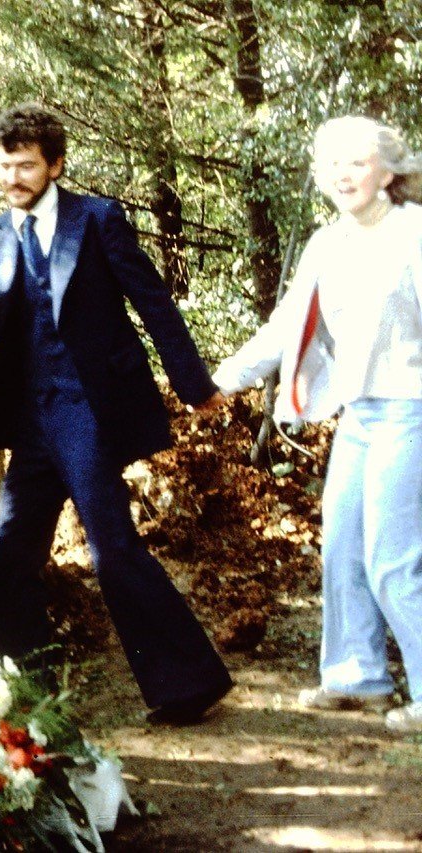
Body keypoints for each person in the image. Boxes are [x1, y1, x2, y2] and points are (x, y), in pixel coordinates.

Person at [0, 103, 233, 725]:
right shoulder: (0, 235)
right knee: (7, 552)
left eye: (26, 165)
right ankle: (7, 694)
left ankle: (186, 684)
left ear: (55, 165)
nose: (13, 178)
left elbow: (153, 302)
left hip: (87, 411)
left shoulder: (97, 219)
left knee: (111, 548)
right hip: (31, 421)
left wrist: (194, 384)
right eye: (4, 166)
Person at [213, 116, 422, 732]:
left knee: (394, 557)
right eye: (332, 164)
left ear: (389, 171)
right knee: (343, 545)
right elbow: (286, 326)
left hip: (412, 410)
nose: (343, 174)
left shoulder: (414, 234)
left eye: (356, 162)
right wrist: (221, 381)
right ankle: (357, 677)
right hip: (359, 414)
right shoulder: (327, 244)